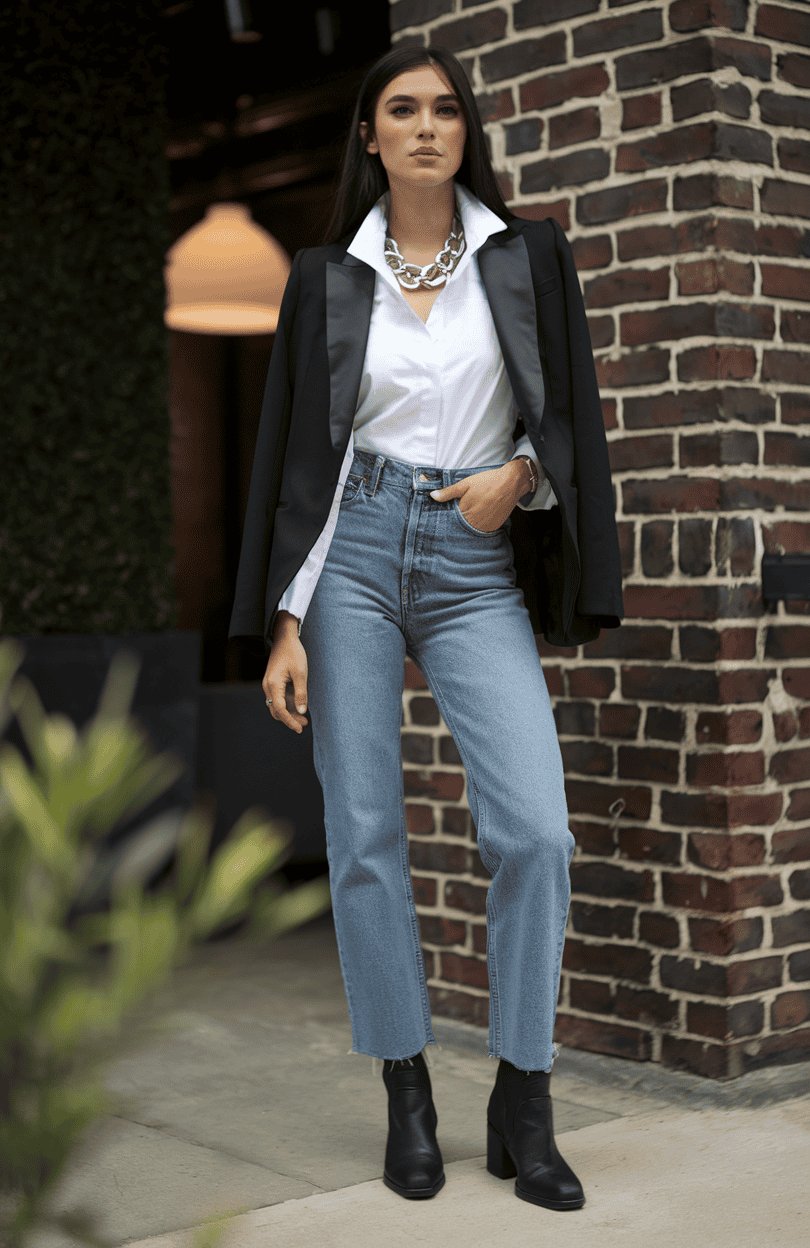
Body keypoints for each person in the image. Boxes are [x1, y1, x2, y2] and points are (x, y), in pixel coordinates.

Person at [228, 45, 624, 1211]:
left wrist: (519, 474)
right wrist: (285, 618)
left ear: (466, 130)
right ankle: (407, 1089)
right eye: (401, 109)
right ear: (367, 134)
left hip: (470, 555)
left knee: (535, 834)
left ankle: (524, 1095)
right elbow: (301, 456)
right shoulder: (324, 276)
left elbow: (572, 420)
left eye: (445, 109)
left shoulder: (526, 256)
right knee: (362, 834)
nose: (425, 127)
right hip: (350, 549)